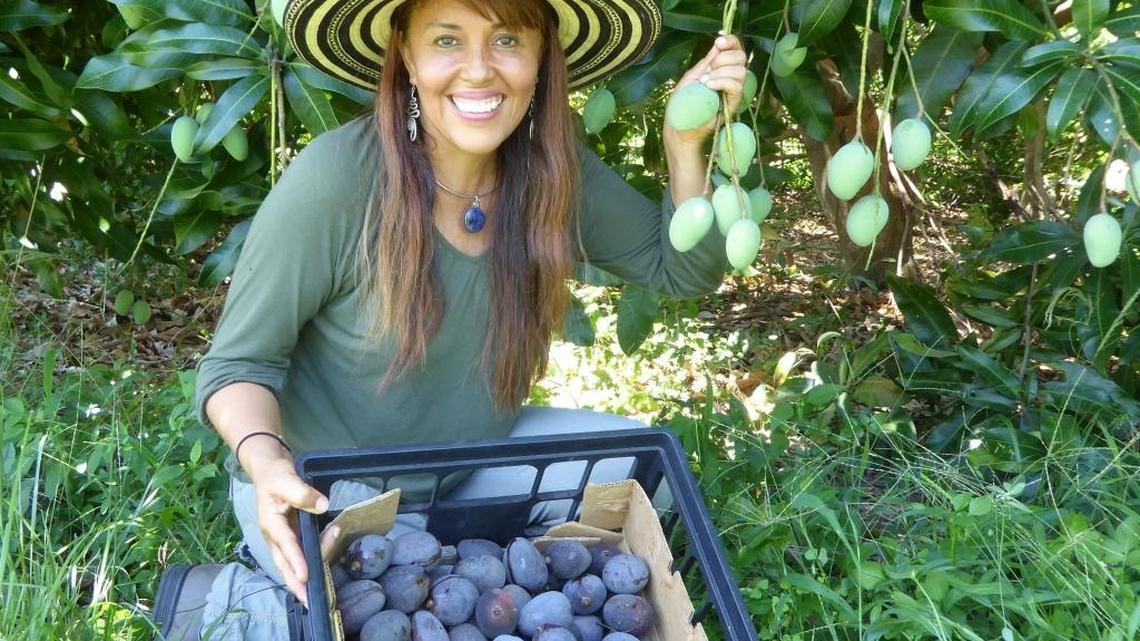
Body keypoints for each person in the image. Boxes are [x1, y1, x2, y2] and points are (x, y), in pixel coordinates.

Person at [191, 0, 746, 624]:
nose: (479, 70)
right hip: (330, 494)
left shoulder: (549, 173)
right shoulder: (337, 183)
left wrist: (685, 143)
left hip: (467, 465)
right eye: (448, 39)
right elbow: (236, 366)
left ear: (543, 55)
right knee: (399, 615)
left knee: (640, 466)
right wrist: (267, 463)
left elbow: (683, 269)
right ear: (405, 52)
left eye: (507, 39)